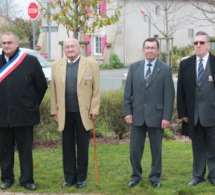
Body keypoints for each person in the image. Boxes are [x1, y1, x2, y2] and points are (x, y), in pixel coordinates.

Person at [123, 38, 175, 188]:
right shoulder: (134, 67)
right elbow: (127, 94)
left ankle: (155, 177)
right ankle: (135, 176)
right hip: (137, 116)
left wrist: (166, 117)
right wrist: (127, 112)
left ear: (158, 50)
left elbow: (169, 96)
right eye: (147, 47)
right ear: (143, 50)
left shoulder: (165, 69)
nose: (150, 50)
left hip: (157, 118)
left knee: (156, 150)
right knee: (134, 150)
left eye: (153, 48)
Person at [0, 32, 47, 191]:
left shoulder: (30, 61)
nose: (6, 45)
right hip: (2, 115)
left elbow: (41, 86)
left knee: (25, 150)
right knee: (5, 150)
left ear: (17, 43)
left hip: (24, 114)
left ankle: (27, 180)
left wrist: (31, 105)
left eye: (9, 43)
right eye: (4, 43)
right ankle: (7, 178)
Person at [51, 38, 100, 189]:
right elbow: (53, 90)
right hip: (65, 113)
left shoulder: (91, 64)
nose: (70, 49)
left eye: (73, 46)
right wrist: (54, 111)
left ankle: (81, 178)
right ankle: (69, 178)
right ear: (64, 49)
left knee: (83, 146)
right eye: (67, 47)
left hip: (83, 113)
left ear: (80, 48)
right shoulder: (56, 65)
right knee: (67, 146)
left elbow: (96, 89)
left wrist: (94, 109)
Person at [177, 31, 215, 187]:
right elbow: (181, 91)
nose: (198, 46)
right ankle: (198, 176)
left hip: (212, 114)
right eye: (195, 43)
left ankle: (213, 176)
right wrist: (183, 112)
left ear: (208, 45)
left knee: (213, 147)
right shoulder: (185, 64)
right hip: (194, 115)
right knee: (197, 146)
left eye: (201, 43)